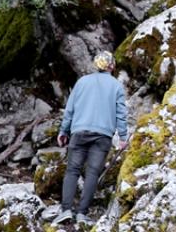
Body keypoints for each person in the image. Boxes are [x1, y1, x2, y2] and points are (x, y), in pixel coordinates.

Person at [55, 51, 129, 226]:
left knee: (72, 170)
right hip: (103, 136)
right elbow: (121, 114)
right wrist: (123, 137)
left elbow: (70, 109)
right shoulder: (116, 86)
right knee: (93, 173)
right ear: (112, 66)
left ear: (96, 65)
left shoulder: (82, 82)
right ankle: (82, 213)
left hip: (79, 132)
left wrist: (63, 131)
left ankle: (66, 210)